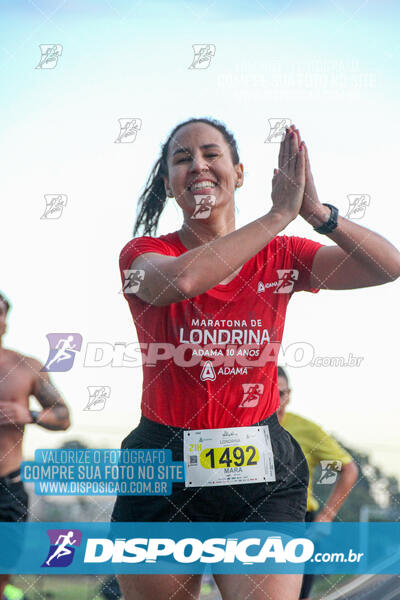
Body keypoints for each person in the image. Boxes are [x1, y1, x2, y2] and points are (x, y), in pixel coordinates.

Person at [112, 118, 400, 600]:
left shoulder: (283, 253)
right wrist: (276, 216)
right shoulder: (142, 254)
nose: (198, 165)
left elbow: (386, 267)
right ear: (168, 183)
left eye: (210, 153)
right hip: (161, 464)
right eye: (182, 159)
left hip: (261, 472)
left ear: (239, 172)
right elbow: (179, 284)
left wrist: (316, 213)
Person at [0, 293, 70, 597]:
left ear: (5, 322)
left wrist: (27, 413)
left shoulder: (26, 367)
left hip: (8, 485)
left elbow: (63, 416)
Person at [277, 366, 359, 600]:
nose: (276, 400)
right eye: (268, 393)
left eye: (281, 394)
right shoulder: (245, 427)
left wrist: (327, 514)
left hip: (300, 522)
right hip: (253, 521)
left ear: (289, 395)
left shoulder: (306, 429)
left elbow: (346, 467)